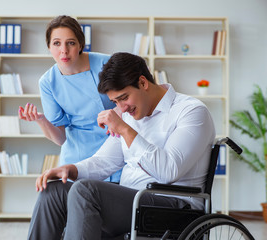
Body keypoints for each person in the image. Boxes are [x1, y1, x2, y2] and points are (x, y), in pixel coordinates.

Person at [27, 52, 216, 240]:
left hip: (174, 208)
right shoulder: (131, 116)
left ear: (143, 83)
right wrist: (71, 169)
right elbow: (103, 162)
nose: (122, 108)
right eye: (116, 102)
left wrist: (126, 130)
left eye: (124, 98)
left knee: (85, 192)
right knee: (53, 191)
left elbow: (169, 171)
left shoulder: (191, 112)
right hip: (134, 202)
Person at [18, 15, 121, 182]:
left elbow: (133, 98)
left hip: (114, 153)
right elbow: (60, 138)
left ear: (80, 44)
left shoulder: (106, 64)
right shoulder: (47, 82)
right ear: (49, 47)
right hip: (77, 159)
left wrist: (118, 111)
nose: (63, 50)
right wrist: (41, 119)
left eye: (71, 43)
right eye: (56, 43)